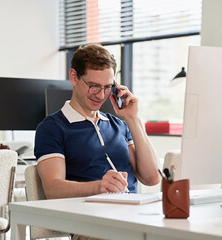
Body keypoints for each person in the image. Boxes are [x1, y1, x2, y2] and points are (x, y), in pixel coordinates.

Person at [34, 43, 161, 199]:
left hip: (130, 212)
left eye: (107, 87)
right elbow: (53, 189)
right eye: (94, 86)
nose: (101, 96)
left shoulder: (119, 125)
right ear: (74, 77)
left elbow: (152, 178)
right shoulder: (51, 128)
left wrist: (132, 119)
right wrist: (100, 186)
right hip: (89, 215)